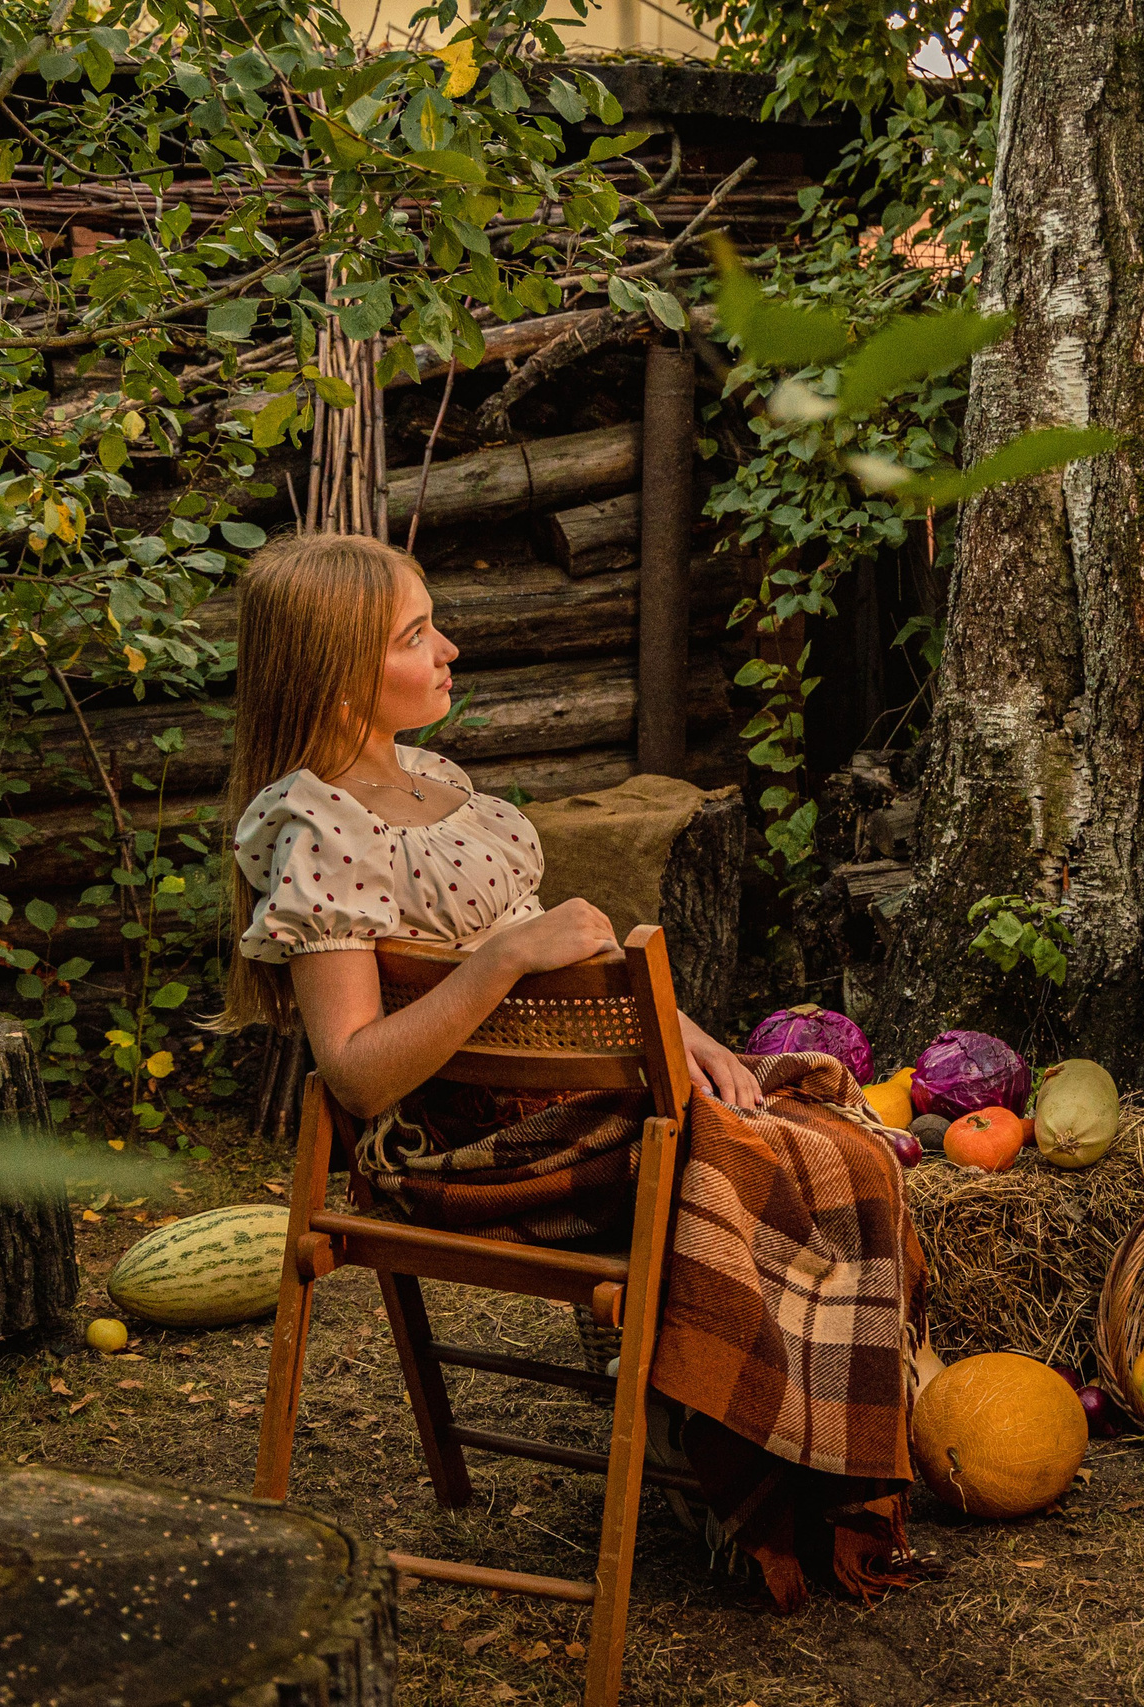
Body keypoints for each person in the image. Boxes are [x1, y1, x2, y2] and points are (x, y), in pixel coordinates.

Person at [215, 533, 924, 1611]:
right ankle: (747, 1471)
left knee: (831, 1140)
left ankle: (777, 1458)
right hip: (480, 1150)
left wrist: (672, 1026)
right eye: (416, 636)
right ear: (336, 671)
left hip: (588, 1092)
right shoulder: (320, 830)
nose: (450, 648)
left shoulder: (437, 784)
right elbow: (355, 1075)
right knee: (759, 1162)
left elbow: (563, 978)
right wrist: (504, 958)